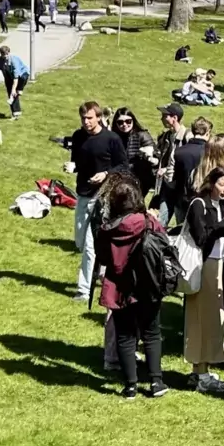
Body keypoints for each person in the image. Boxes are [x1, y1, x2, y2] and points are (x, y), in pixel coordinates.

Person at [95, 178, 169, 399]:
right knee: (152, 333)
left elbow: (103, 258)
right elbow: (164, 245)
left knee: (125, 337)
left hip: (119, 286)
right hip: (148, 284)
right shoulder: (148, 221)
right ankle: (156, 381)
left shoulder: (107, 229)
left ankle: (130, 386)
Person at [68, 101, 129, 301]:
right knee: (79, 240)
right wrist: (72, 166)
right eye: (83, 118)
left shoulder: (111, 139)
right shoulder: (78, 137)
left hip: (103, 195)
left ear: (99, 117)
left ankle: (84, 290)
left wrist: (105, 174)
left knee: (88, 245)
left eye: (90, 118)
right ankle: (102, 270)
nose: (86, 122)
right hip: (83, 193)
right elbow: (77, 160)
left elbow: (123, 165)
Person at [184, 166, 224, 393]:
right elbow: (201, 236)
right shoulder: (199, 204)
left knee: (212, 318)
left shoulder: (219, 204)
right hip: (204, 265)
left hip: (217, 264)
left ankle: (200, 370)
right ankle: (201, 372)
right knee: (205, 318)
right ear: (211, 183)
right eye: (221, 184)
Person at [164, 117, 211, 226]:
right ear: (208, 132)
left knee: (182, 231)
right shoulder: (210, 152)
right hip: (204, 200)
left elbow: (169, 177)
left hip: (181, 199)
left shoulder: (178, 151)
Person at [112, 108, 158, 195]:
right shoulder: (114, 137)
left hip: (140, 178)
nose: (124, 124)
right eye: (120, 122)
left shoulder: (142, 135)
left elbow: (154, 156)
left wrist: (147, 155)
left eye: (128, 121)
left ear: (133, 121)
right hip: (120, 177)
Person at [0, 45, 29, 119]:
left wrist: (14, 89)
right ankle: (15, 113)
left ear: (9, 52)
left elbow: (16, 78)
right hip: (8, 77)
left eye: (6, 54)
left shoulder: (14, 61)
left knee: (15, 89)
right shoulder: (0, 59)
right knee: (11, 94)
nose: (5, 56)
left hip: (21, 75)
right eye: (3, 55)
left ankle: (20, 89)